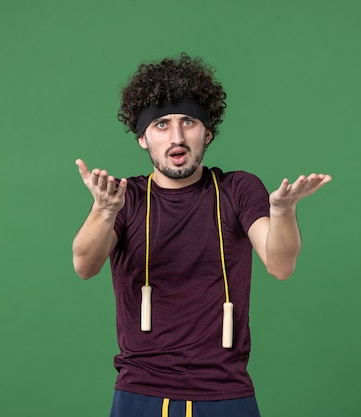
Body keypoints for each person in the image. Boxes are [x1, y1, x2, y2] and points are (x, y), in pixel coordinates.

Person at [72, 53, 331, 417]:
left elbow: (280, 264)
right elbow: (84, 264)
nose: (177, 137)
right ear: (143, 138)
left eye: (188, 122)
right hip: (141, 390)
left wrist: (284, 212)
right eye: (161, 124)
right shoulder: (124, 197)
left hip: (225, 392)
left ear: (207, 131)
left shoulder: (238, 189)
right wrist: (103, 210)